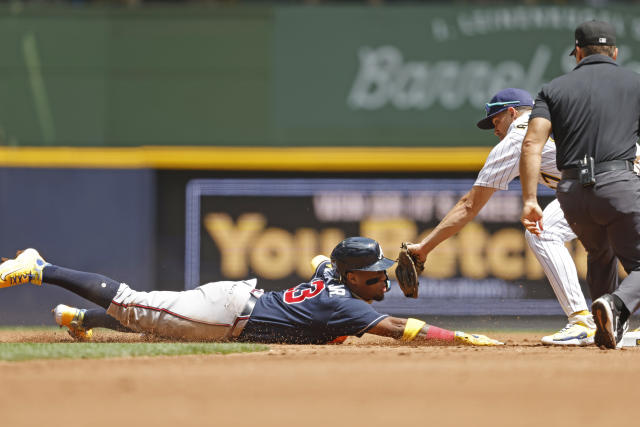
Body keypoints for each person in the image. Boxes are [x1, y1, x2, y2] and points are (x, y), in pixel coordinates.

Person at [0, 238, 502, 346]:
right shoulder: (343, 300)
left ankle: (79, 320)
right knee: (133, 304)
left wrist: (340, 265)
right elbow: (400, 329)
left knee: (150, 322)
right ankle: (40, 267)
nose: (385, 279)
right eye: (377, 274)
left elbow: (322, 260)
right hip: (226, 315)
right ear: (352, 279)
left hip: (236, 304)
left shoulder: (335, 276)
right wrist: (459, 338)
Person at [406, 88, 596, 346]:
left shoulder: (518, 138)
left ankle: (582, 322)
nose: (495, 130)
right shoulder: (567, 120)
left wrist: (424, 248)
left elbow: (469, 206)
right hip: (626, 178)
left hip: (600, 186)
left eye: (496, 121)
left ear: (512, 113)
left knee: (543, 231)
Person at [520, 20, 640, 349]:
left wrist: (530, 200)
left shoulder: (552, 89)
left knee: (600, 253)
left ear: (577, 52)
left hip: (572, 192)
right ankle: (615, 305)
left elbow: (531, 144)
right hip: (618, 183)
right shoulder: (635, 83)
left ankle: (605, 328)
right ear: (615, 52)